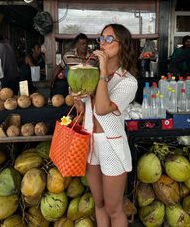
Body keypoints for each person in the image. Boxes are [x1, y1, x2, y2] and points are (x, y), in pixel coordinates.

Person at [73, 24, 138, 227]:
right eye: (101, 38)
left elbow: (102, 108)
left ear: (122, 45)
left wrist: (101, 71)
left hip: (112, 147)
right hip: (91, 144)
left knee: (114, 208)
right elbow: (83, 112)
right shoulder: (91, 75)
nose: (103, 43)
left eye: (109, 39)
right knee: (99, 203)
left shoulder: (128, 81)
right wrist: (76, 96)